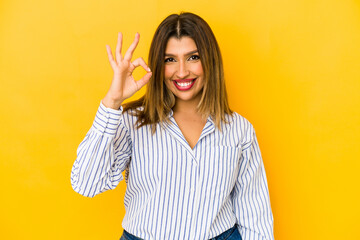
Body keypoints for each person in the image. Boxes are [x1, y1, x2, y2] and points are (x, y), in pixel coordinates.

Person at [71, 12, 274, 240]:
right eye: (170, 60)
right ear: (158, 66)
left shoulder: (239, 130)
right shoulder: (132, 122)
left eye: (193, 57)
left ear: (210, 61)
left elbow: (255, 215)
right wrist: (112, 101)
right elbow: (85, 184)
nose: (182, 71)